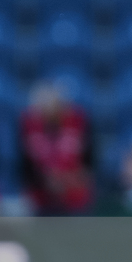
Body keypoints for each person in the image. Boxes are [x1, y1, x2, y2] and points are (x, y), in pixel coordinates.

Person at [20, 81, 93, 216]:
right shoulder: (28, 125)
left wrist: (66, 180)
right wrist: (46, 181)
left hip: (75, 196)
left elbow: (89, 164)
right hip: (40, 197)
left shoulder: (78, 122)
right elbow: (25, 167)